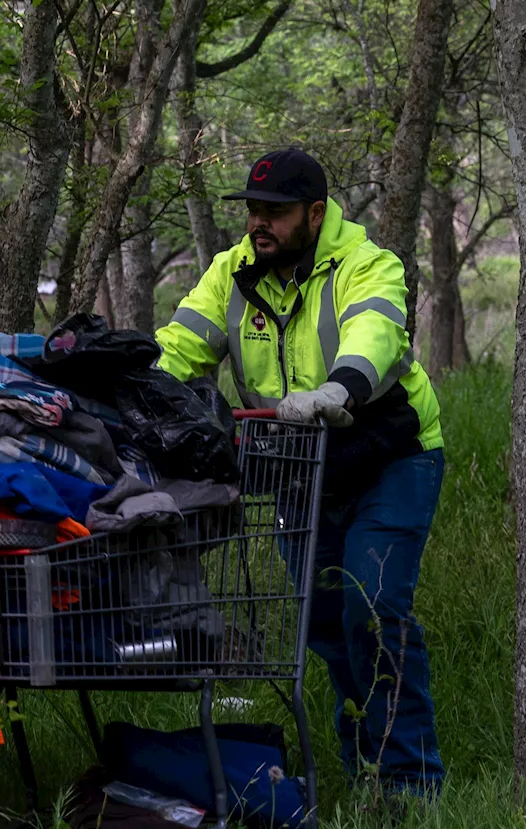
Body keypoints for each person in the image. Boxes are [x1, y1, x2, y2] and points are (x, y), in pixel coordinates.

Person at [154, 148, 446, 797]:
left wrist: (339, 388)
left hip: (390, 456)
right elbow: (180, 348)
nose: (261, 224)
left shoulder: (366, 263)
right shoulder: (232, 272)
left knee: (372, 608)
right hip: (299, 468)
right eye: (254, 211)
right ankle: (364, 765)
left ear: (315, 213)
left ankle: (412, 783)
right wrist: (131, 391)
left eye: (276, 213)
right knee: (321, 623)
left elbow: (377, 330)